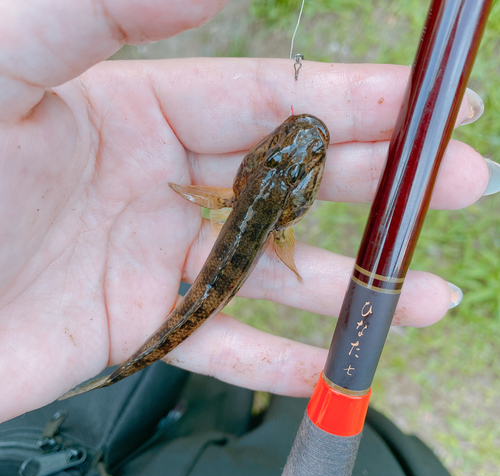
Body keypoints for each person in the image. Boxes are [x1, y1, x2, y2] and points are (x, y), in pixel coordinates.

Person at [0, 0, 496, 428]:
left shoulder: (237, 192)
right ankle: (118, 374)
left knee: (186, 322)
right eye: (284, 149)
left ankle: (118, 374)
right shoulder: (274, 214)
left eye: (311, 160)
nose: (299, 143)